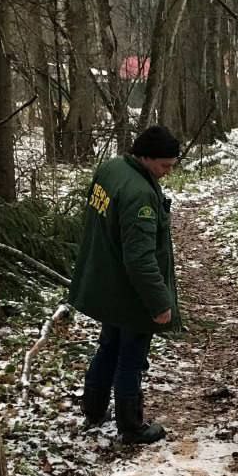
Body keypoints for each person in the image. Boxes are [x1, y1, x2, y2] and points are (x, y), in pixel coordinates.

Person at [68, 125, 182, 444]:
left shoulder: (112, 169)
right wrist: (160, 304)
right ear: (145, 157)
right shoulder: (140, 194)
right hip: (130, 291)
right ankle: (131, 426)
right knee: (131, 356)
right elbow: (141, 260)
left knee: (109, 345)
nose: (167, 173)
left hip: (107, 281)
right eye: (164, 166)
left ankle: (93, 409)